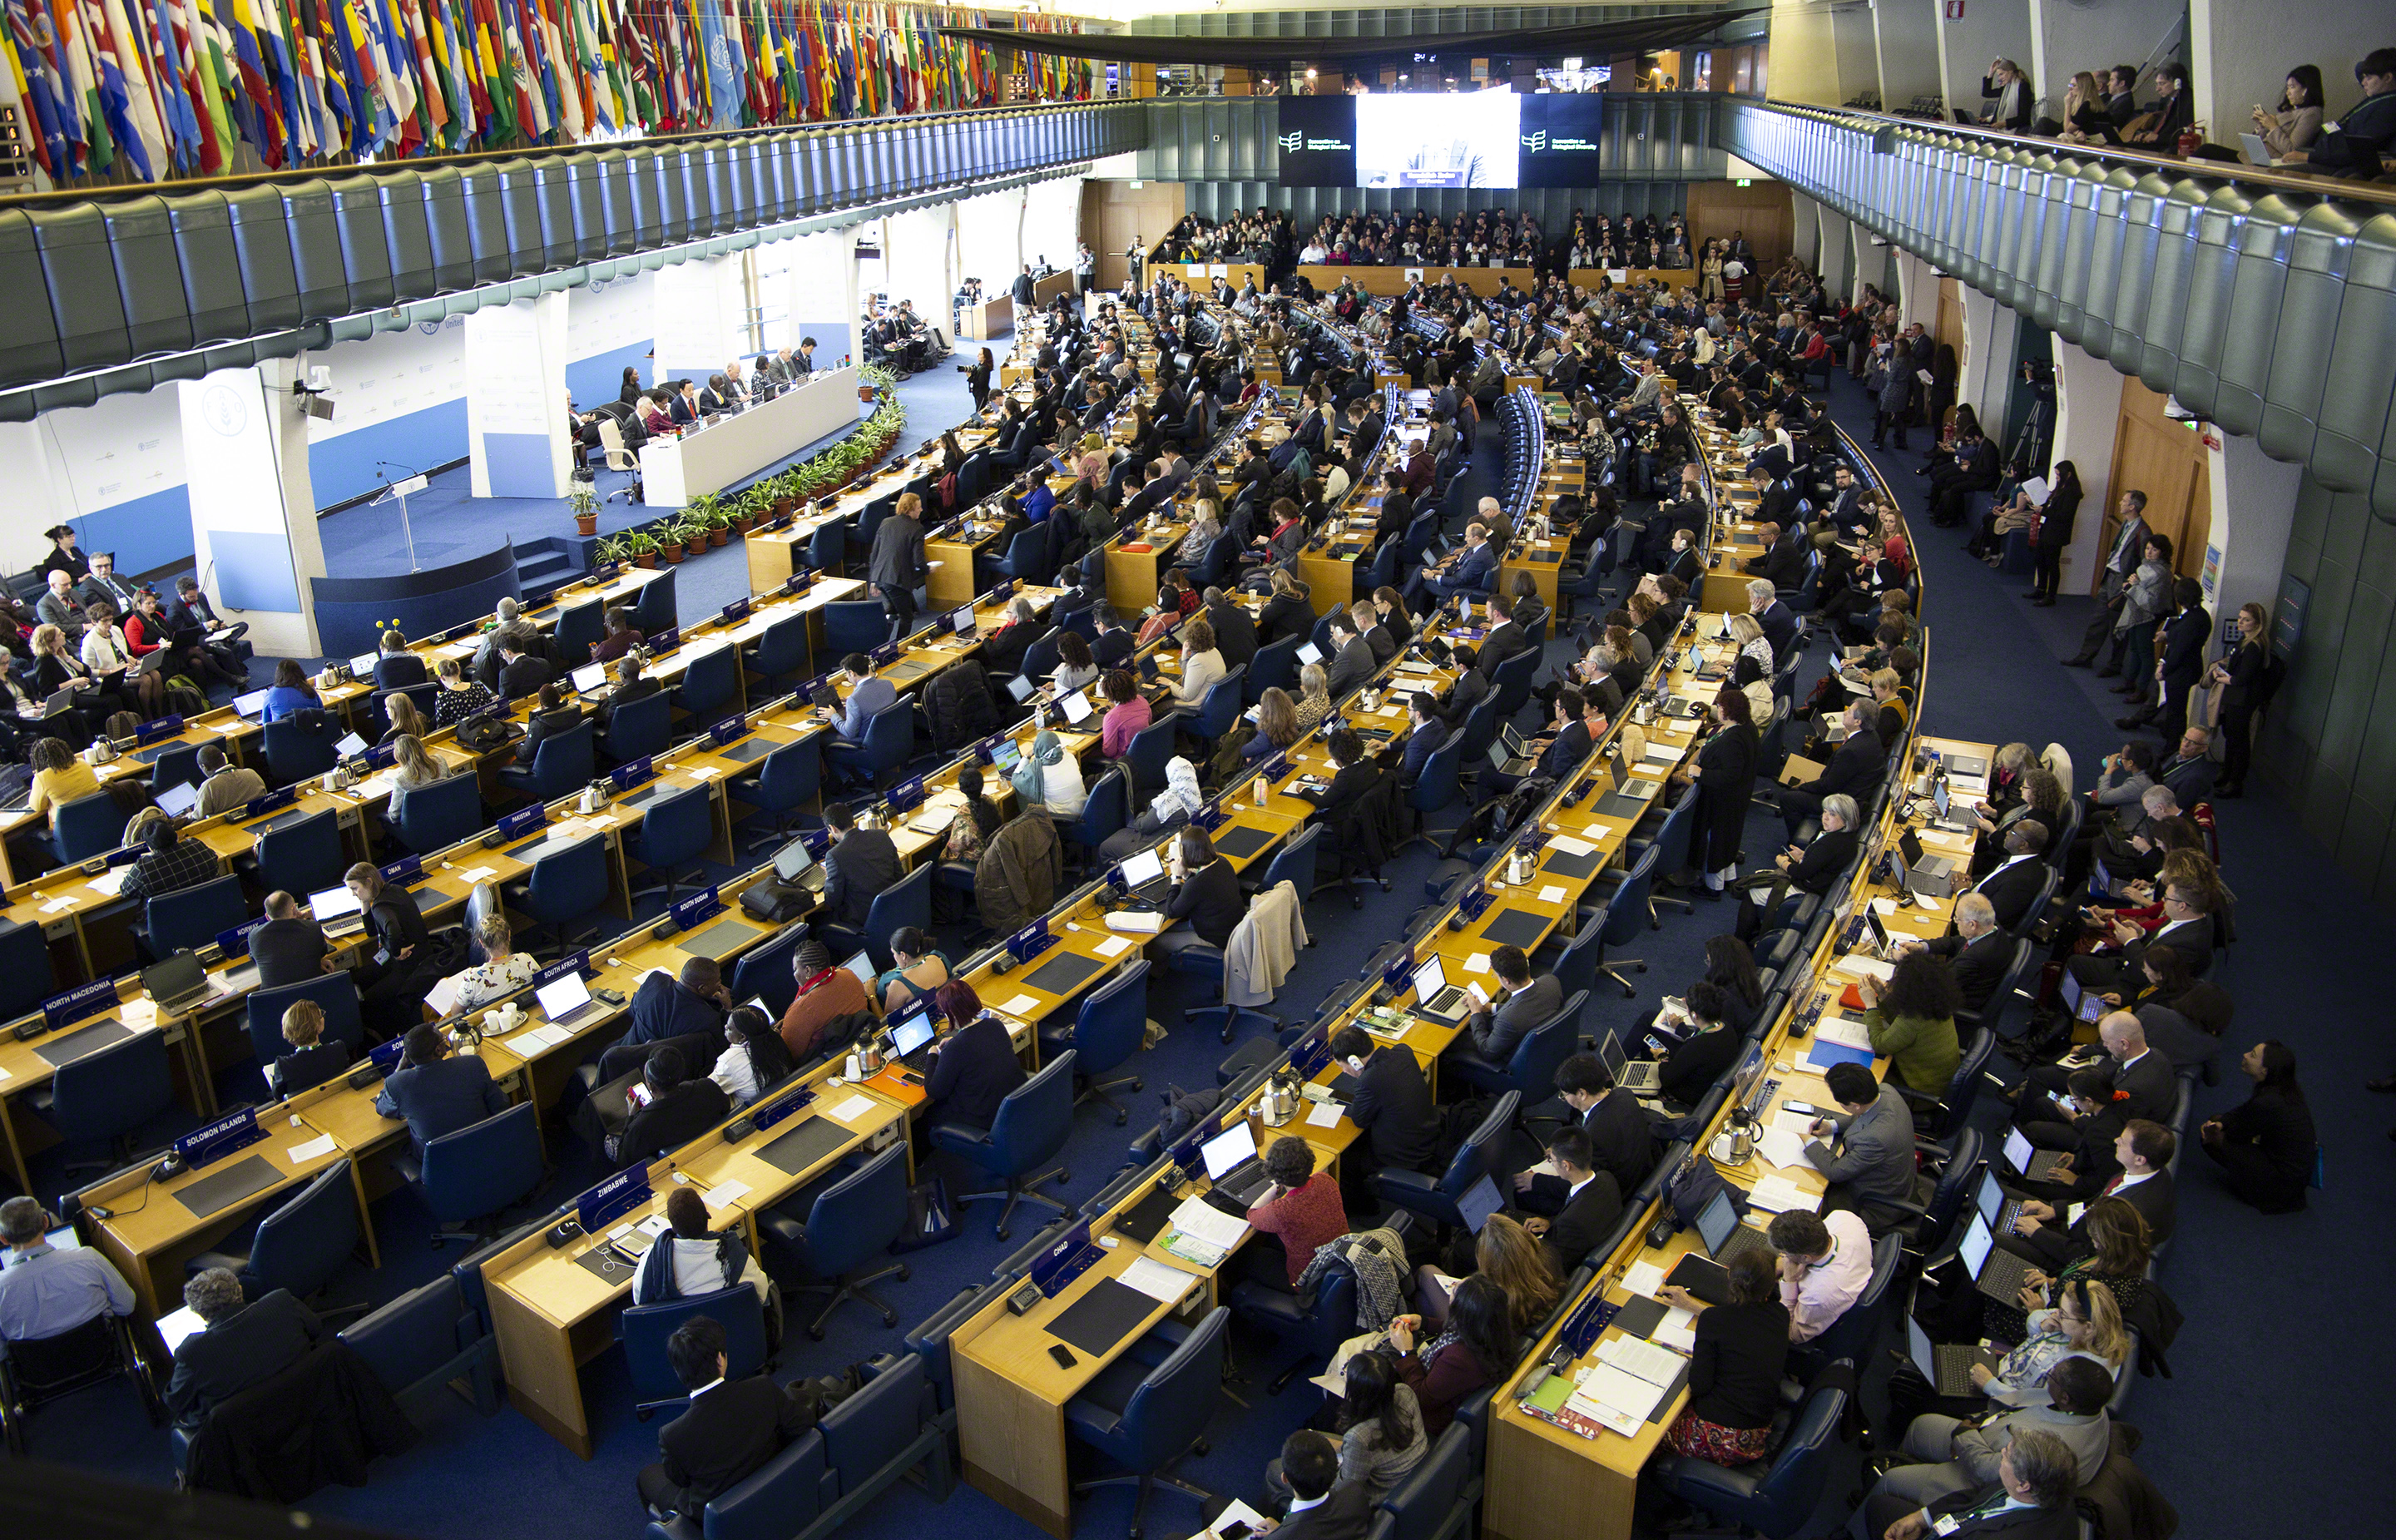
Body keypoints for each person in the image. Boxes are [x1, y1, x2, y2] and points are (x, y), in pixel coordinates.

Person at [1868, 1354, 2113, 1523]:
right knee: (1921, 1425)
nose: (2049, 1375)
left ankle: (1854, 1529)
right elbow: (2017, 1406)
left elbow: (1986, 1471)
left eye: (2053, 1376)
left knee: (1891, 1481)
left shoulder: (2050, 1446)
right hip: (1985, 1439)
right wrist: (1982, 1420)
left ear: (2066, 1398)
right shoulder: (2091, 1406)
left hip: (1981, 1482)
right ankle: (1902, 1462)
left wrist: (1963, 1434)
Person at [634, 1315, 830, 1522]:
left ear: (678, 1372)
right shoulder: (762, 1388)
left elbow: (680, 1481)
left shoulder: (671, 1436)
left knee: (648, 1476)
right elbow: (803, 1423)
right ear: (720, 1359)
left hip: (718, 1515)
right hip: (775, 1485)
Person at [1655, 1250, 1788, 1465]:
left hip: (1722, 1439)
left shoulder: (1714, 1320)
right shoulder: (1781, 1315)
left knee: (1654, 1431)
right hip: (1757, 1433)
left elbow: (1699, 1386)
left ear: (1729, 1277)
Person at [163, 1268, 324, 1427]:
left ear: (199, 1313)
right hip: (311, 1400)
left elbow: (175, 1402)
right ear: (240, 1289)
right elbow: (316, 1328)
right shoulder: (283, 1301)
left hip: (251, 1431)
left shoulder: (192, 1352)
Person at [1865, 1427, 2086, 1540]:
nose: (2002, 1452)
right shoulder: (2048, 1486)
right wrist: (1921, 1518)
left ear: (2023, 1485)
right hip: (1957, 1526)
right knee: (1880, 1507)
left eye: (2007, 1455)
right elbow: (1975, 1498)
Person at [0, 1195, 136, 1354]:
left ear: (3, 1239)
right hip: (101, 1359)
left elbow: (2, 1353)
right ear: (45, 1222)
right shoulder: (88, 1258)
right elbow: (126, 1305)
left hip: (41, 1376)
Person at [1385, 1275, 1511, 1439]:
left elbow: (1420, 1398)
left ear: (1460, 1311)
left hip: (1425, 1421)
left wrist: (1406, 1351)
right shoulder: (1494, 1330)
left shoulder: (1458, 1360)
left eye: (1454, 1291)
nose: (1453, 1285)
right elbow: (1458, 1329)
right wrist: (1424, 1322)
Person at [2200, 1040, 2315, 1212]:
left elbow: (2237, 1134)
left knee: (2211, 1138)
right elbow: (2245, 1110)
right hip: (2292, 1173)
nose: (2245, 1055)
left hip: (2280, 1183)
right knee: (2217, 1120)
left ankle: (2252, 1188)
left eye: (2252, 1055)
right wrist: (2222, 1122)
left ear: (2265, 1070)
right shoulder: (2285, 1089)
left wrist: (2216, 1128)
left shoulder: (2268, 1102)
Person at [1802, 1063, 1919, 1232]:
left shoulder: (1876, 1139)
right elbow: (1865, 1116)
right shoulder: (1886, 1091)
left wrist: (1809, 1142)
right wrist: (1832, 1126)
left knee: (1810, 1204)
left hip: (1875, 1204)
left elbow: (1835, 1172)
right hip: (1892, 1181)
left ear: (1855, 1104)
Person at [1328, 1024, 1444, 1186]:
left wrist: (1362, 1077)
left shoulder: (1368, 1081)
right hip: (1428, 1134)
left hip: (1403, 1155)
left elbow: (1359, 1120)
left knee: (1345, 1162)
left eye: (1341, 1066)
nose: (1343, 1072)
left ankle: (1367, 1206)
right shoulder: (1403, 1051)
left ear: (1354, 1061)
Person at [374, 1023, 507, 1151]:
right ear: (438, 1050)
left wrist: (401, 1066)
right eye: (443, 1039)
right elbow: (501, 1106)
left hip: (441, 1168)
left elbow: (382, 1107)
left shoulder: (399, 1083)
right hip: (487, 1150)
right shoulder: (471, 1064)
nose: (445, 1040)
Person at [1512, 1128, 1621, 1272]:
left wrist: (1522, 1241)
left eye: (1552, 1160)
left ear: (1566, 1165)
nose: (1552, 1164)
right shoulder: (1608, 1179)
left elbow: (1552, 1264)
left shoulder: (1571, 1222)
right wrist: (1550, 1223)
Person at [1857, 948, 1964, 1095]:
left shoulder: (1914, 1020)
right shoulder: (1936, 1002)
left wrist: (1870, 1005)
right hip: (1937, 1081)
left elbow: (1879, 1044)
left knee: (1860, 1079)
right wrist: (1882, 992)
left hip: (1921, 1092)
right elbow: (1901, 1022)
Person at [922, 979, 1024, 1130]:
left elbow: (934, 1091)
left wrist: (932, 1055)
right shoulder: (995, 1025)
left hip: (985, 1116)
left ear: (953, 1015)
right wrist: (954, 1042)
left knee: (929, 1114)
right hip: (1013, 1101)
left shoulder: (956, 1048)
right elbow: (975, 1046)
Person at [1765, 1207, 1872, 1344]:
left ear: (1806, 1258)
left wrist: (1789, 1281)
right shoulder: (1845, 1218)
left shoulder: (1818, 1295)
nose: (1782, 1256)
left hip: (1821, 1313)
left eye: (1784, 1254)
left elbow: (1791, 1335)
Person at [616, 1045, 731, 1167]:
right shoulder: (708, 1087)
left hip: (675, 1170)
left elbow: (624, 1162)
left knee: (609, 1141)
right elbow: (726, 1109)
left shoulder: (642, 1125)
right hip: (718, 1155)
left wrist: (631, 1117)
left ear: (651, 1086)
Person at [1264, 1425, 1376, 1540]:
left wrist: (1279, 1532)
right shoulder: (1355, 1490)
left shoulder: (1282, 1537)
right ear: (1335, 1470)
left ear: (1285, 1479)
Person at [2204, 601, 2269, 798]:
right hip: (2234, 698)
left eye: (2246, 620)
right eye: (2240, 618)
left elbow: (2243, 677)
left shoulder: (2254, 647)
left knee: (2239, 741)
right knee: (2230, 737)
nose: (2240, 623)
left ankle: (2235, 781)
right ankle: (2227, 772)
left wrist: (2223, 678)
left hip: (2242, 700)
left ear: (2257, 624)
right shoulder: (2243, 642)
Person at [1458, 945, 1562, 1065]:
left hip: (1512, 1059)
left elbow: (1487, 1052)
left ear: (1506, 980)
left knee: (1456, 1040)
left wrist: (1476, 1013)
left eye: (1495, 975)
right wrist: (1490, 1007)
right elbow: (1525, 1008)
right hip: (1545, 1046)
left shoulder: (1509, 1019)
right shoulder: (1551, 981)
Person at [777, 938, 870, 1062]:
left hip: (824, 1064)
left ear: (808, 970)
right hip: (861, 1046)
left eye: (795, 969)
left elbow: (789, 1055)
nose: (794, 974)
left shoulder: (802, 1009)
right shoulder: (849, 975)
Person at [822, 801, 903, 929]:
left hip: (864, 920)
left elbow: (833, 900)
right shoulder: (881, 835)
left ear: (832, 828)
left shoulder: (835, 855)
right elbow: (899, 875)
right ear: (852, 819)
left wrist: (828, 878)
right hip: (894, 909)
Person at [869, 491, 929, 642]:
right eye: (918, 508)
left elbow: (874, 553)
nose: (921, 510)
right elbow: (918, 560)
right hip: (897, 580)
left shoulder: (886, 522)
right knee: (907, 616)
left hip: (882, 577)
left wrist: (874, 580)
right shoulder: (917, 529)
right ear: (909, 510)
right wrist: (928, 569)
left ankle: (881, 639)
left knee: (893, 609)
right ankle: (898, 647)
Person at [117, 819, 220, 906]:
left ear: (150, 847)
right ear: (176, 835)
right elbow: (214, 859)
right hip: (212, 911)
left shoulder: (144, 868)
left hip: (172, 925)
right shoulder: (198, 847)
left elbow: (125, 891)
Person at [453, 914, 538, 1010]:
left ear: (482, 943)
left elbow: (455, 1012)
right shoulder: (527, 960)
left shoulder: (473, 978)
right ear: (509, 935)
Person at [265, 998, 349, 1097]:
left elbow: (278, 1097)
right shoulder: (338, 1049)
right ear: (319, 1026)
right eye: (321, 1015)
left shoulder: (283, 1066)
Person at [250, 892, 332, 987]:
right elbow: (322, 951)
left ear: (267, 917)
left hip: (275, 1000)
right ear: (293, 909)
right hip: (312, 996)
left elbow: (254, 957)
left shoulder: (255, 935)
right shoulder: (313, 928)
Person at [25, 735, 100, 829]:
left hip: (69, 832)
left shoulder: (42, 777)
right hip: (99, 822)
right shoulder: (83, 763)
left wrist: (36, 776)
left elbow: (37, 807)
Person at [1010, 729, 1087, 819]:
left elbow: (1015, 779)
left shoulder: (1038, 771)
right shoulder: (1070, 757)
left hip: (1061, 819)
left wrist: (1027, 756)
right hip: (1085, 810)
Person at [189, 742, 265, 819]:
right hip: (260, 819)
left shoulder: (208, 787)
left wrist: (189, 816)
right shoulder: (251, 773)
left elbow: (199, 818)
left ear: (205, 767)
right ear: (225, 758)